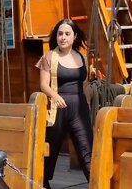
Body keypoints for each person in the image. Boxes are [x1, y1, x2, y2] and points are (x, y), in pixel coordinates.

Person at [36, 18, 92, 189]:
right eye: (60, 34)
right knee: (50, 150)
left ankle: (97, 183)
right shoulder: (49, 57)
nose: (63, 37)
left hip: (79, 109)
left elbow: (86, 84)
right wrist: (54, 95)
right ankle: (43, 183)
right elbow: (43, 84)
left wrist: (88, 105)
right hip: (57, 109)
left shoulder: (82, 57)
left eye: (67, 34)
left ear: (74, 36)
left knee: (87, 147)